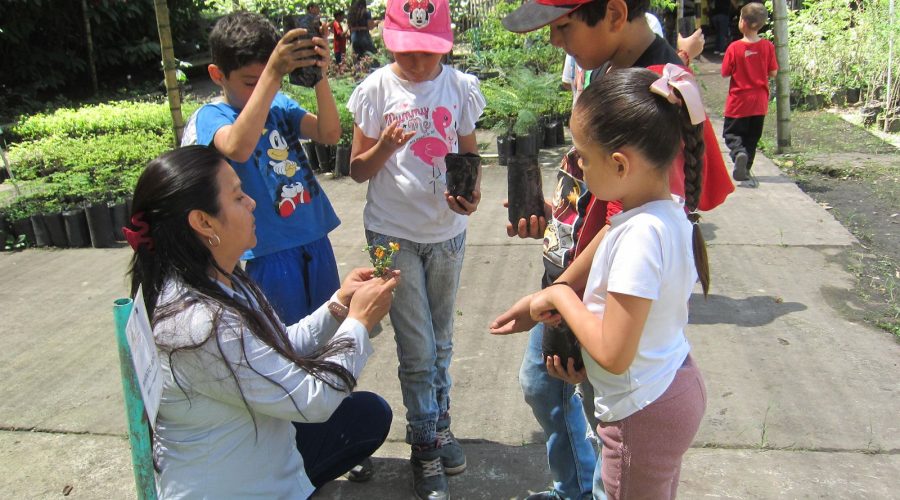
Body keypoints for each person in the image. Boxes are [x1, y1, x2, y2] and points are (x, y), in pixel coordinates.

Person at [495, 1, 731, 499]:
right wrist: (555, 212)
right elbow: (604, 208)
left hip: (603, 316)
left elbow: (619, 342)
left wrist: (563, 300)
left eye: (562, 26)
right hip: (584, 293)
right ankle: (574, 488)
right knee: (545, 389)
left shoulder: (655, 95)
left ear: (615, 13)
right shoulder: (610, 73)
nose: (555, 41)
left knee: (606, 445)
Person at [125, 145, 399, 498]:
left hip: (261, 456)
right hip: (232, 489)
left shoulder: (220, 278)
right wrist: (359, 323)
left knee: (364, 415)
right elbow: (311, 399)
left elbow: (276, 346)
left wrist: (339, 305)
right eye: (238, 197)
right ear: (203, 222)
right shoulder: (198, 323)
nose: (252, 202)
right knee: (349, 412)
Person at [525, 65, 709, 499]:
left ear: (620, 163)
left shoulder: (640, 236)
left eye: (583, 158)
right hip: (672, 385)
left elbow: (613, 353)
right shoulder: (669, 211)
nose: (579, 169)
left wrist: (557, 295)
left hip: (641, 415)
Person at [347, 0, 485, 497]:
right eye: (407, 52)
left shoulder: (461, 88)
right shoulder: (374, 90)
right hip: (388, 235)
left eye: (429, 53)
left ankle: (440, 423)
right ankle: (424, 448)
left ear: (445, 45)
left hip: (447, 235)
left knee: (442, 339)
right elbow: (357, 168)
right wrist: (384, 145)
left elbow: (468, 154)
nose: (419, 64)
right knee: (417, 347)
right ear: (389, 41)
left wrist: (470, 196)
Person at [189, 12, 342, 328]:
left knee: (329, 337)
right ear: (217, 74)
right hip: (268, 254)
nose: (264, 88)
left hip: (314, 238)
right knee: (285, 342)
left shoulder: (279, 104)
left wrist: (320, 74)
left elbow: (329, 134)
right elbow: (237, 147)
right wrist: (273, 72)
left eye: (269, 78)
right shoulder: (212, 116)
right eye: (251, 82)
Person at [721, 1, 778, 186]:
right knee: (752, 137)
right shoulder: (768, 47)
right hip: (759, 101)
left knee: (732, 134)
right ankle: (745, 169)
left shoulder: (734, 48)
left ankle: (739, 153)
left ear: (742, 23)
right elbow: (773, 72)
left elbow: (725, 72)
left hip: (738, 101)